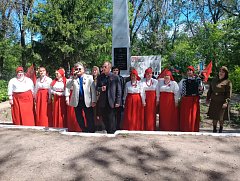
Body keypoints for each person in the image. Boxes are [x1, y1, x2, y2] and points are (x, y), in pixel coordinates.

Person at [65, 62, 97, 133]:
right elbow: (68, 86)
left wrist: (94, 100)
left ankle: (91, 130)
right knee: (79, 117)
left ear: (83, 70)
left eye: (80, 69)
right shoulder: (73, 78)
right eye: (76, 69)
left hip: (87, 100)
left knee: (89, 116)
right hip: (77, 100)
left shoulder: (89, 77)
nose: (78, 70)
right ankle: (84, 130)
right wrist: (73, 77)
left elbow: (93, 90)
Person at [96, 61, 121, 133]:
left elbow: (118, 90)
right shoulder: (100, 77)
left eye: (105, 67)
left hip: (111, 101)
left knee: (111, 118)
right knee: (104, 118)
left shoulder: (115, 77)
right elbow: (97, 87)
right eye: (103, 67)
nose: (103, 68)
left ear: (109, 68)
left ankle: (112, 132)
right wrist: (101, 89)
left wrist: (118, 101)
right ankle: (108, 130)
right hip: (103, 101)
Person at [206, 66, 232, 133]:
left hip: (222, 102)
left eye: (223, 72)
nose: (221, 73)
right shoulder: (214, 80)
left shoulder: (227, 82)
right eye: (220, 71)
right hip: (214, 101)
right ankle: (214, 129)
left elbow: (228, 94)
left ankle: (221, 129)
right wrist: (207, 98)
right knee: (214, 116)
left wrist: (226, 102)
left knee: (221, 117)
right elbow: (210, 90)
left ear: (225, 73)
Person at [178, 66, 204, 132]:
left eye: (190, 70)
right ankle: (185, 128)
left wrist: (201, 88)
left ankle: (193, 129)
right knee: (186, 115)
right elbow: (180, 90)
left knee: (194, 114)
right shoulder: (183, 80)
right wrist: (180, 98)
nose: (189, 72)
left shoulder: (198, 80)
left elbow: (201, 91)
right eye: (188, 71)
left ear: (193, 72)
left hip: (194, 100)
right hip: (186, 100)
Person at [112, 65, 125, 130]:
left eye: (117, 70)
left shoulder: (121, 78)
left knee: (119, 114)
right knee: (113, 114)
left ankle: (118, 126)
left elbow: (123, 89)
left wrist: (121, 99)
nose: (115, 71)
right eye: (114, 70)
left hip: (120, 99)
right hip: (112, 99)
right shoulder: (110, 78)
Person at [91, 65, 103, 131]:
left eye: (95, 70)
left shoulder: (100, 78)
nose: (94, 72)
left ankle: (100, 125)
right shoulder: (90, 78)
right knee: (93, 112)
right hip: (92, 97)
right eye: (93, 70)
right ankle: (94, 125)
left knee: (99, 112)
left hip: (99, 97)